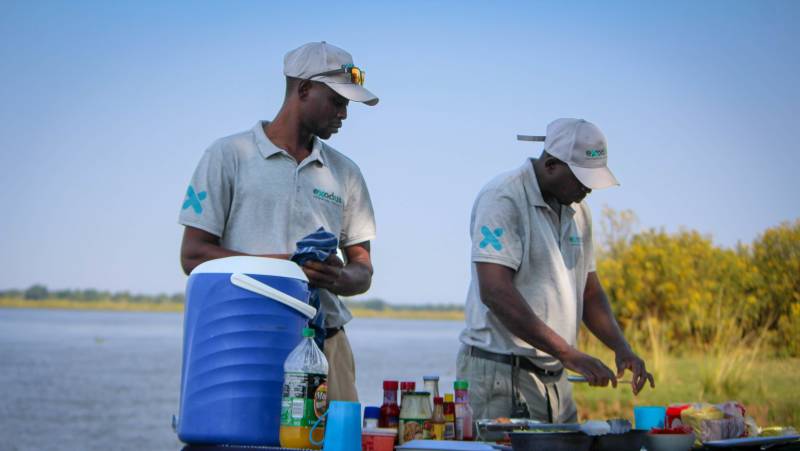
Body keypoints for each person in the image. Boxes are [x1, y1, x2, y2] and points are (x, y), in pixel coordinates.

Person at [178, 41, 378, 402]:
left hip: (327, 345)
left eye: (347, 105)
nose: (344, 114)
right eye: (337, 101)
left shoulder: (346, 173)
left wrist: (337, 276)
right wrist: (289, 268)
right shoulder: (228, 156)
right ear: (304, 89)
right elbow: (193, 256)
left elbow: (362, 270)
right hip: (245, 343)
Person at [456, 118, 654, 423]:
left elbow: (589, 291)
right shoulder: (503, 198)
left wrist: (621, 348)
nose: (588, 188)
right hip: (500, 377)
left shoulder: (578, 210)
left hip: (555, 375)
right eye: (581, 178)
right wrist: (568, 352)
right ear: (550, 165)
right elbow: (495, 292)